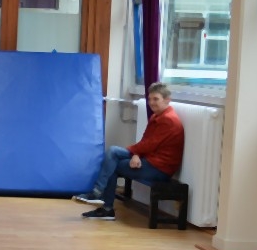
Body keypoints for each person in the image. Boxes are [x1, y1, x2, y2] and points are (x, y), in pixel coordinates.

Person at [75, 81, 184, 220]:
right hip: (149, 159)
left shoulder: (168, 120)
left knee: (113, 164)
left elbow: (149, 145)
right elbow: (146, 141)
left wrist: (134, 152)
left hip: (159, 169)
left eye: (156, 99)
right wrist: (136, 154)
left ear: (167, 99)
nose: (151, 103)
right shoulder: (157, 116)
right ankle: (99, 196)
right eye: (150, 99)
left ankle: (104, 204)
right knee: (113, 151)